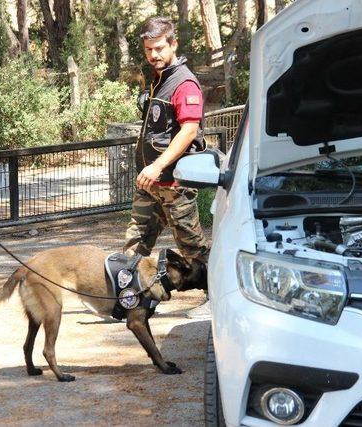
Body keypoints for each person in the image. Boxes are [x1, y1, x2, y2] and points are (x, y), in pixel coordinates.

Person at [123, 17, 211, 319]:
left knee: (192, 247)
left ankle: (215, 296)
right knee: (136, 241)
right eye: (149, 49)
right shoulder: (157, 77)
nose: (154, 55)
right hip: (149, 182)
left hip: (173, 182)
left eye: (159, 48)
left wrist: (158, 165)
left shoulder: (183, 82)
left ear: (173, 44)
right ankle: (129, 297)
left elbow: (188, 131)